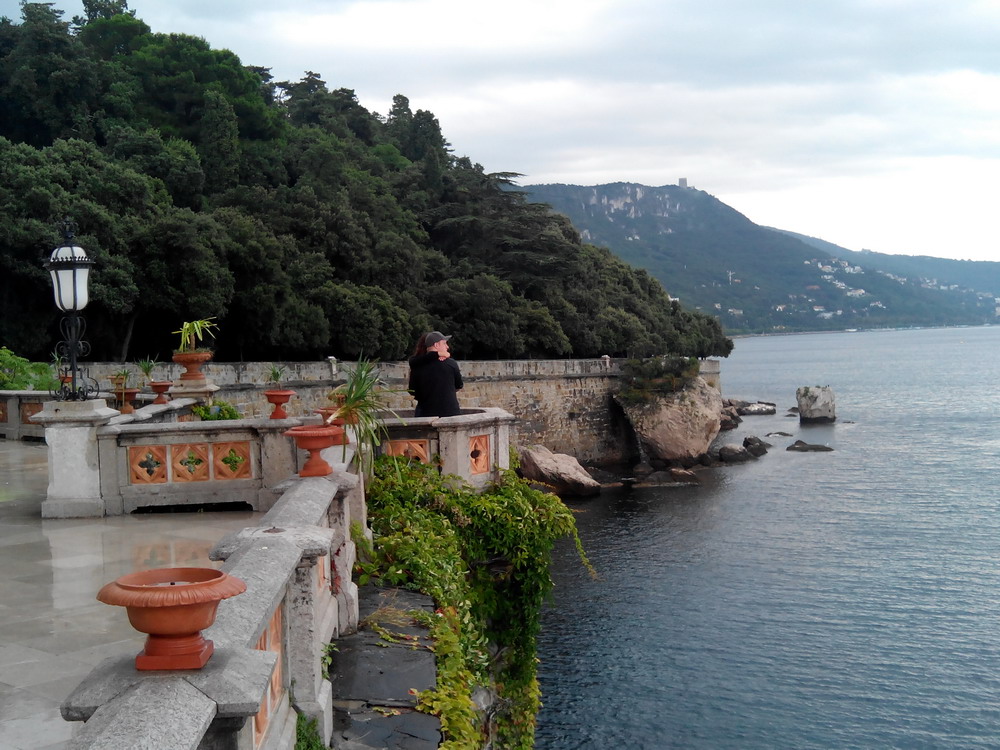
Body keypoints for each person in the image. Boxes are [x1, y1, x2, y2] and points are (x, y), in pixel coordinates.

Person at [408, 331, 463, 417]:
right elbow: (459, 385)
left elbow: (412, 390)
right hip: (451, 413)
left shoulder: (417, 365)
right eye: (444, 343)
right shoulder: (451, 364)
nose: (447, 347)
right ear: (436, 345)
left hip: (426, 413)